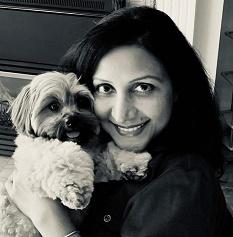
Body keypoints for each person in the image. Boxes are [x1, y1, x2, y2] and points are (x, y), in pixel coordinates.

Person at [5, 6, 233, 237]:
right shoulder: (96, 145)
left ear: (177, 90)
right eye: (105, 88)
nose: (122, 113)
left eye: (143, 87)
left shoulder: (182, 188)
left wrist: (48, 218)